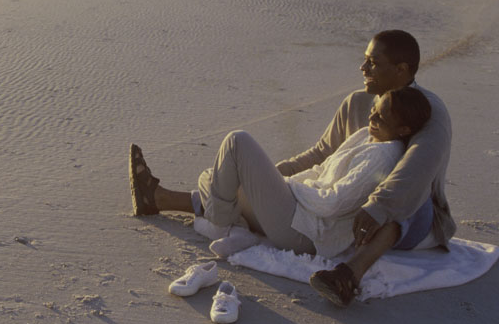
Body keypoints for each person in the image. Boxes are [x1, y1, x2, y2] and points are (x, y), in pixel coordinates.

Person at [130, 30, 455, 306]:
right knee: (243, 179)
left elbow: (415, 171)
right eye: (365, 58)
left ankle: (349, 275)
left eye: (373, 63)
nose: (363, 67)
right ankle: (158, 198)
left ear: (401, 70)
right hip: (335, 208)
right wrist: (268, 179)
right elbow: (320, 155)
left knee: (403, 196)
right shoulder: (359, 103)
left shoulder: (429, 111)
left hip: (413, 213)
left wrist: (377, 207)